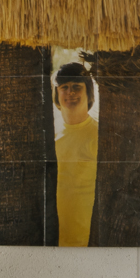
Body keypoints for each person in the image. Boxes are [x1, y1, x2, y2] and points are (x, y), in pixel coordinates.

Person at [51, 62, 99, 247]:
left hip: (86, 239)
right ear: (57, 96)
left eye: (77, 87)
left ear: (89, 95)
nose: (70, 92)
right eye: (64, 88)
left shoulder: (99, 135)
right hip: (50, 239)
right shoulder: (48, 135)